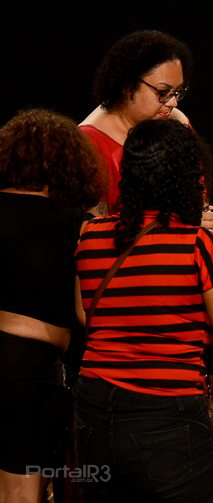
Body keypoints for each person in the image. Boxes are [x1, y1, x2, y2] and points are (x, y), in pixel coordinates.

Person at [73, 119, 213, 502]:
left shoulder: (91, 237)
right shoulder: (196, 245)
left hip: (93, 414)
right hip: (166, 418)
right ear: (189, 178)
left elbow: (87, 317)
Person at [0, 108, 105, 503]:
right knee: (22, 493)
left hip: (21, 363)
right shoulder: (79, 225)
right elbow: (86, 313)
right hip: (28, 368)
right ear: (69, 163)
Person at [79, 29, 213, 232]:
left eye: (178, 92)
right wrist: (177, 226)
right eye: (163, 92)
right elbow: (91, 234)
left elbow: (198, 192)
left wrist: (203, 217)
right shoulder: (89, 143)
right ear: (127, 85)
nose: (173, 102)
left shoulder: (177, 121)